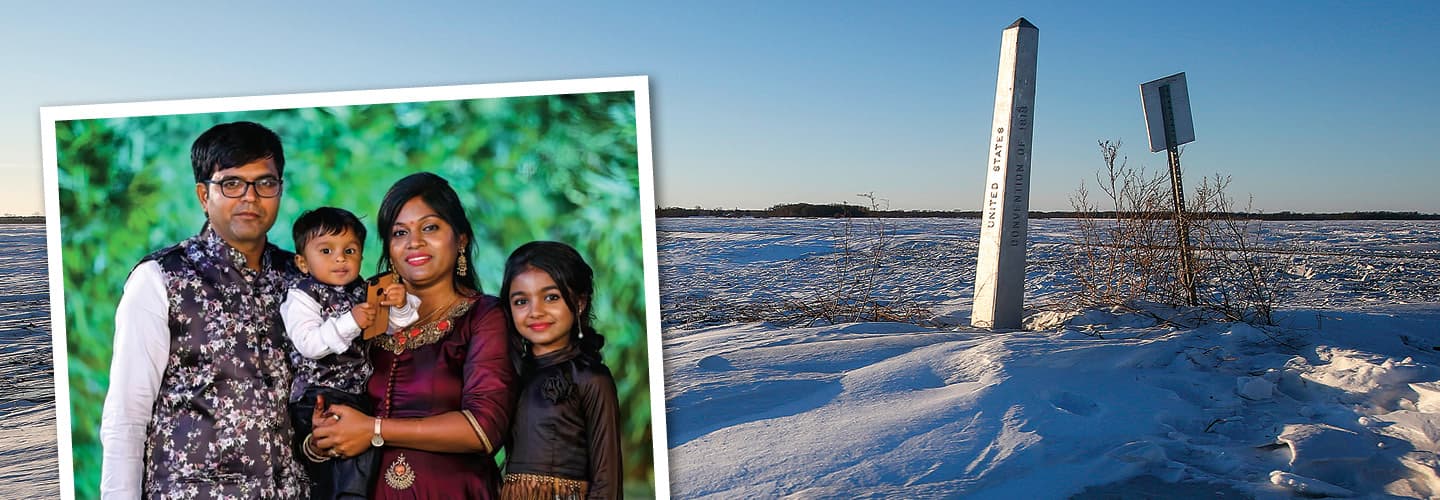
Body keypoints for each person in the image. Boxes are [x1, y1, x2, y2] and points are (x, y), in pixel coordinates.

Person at [99, 121, 308, 497]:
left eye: (265, 183)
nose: (250, 197)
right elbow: (127, 417)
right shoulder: (161, 279)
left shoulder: (300, 278)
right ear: (202, 194)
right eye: (231, 183)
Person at [310, 172, 516, 498]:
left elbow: (484, 429)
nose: (414, 242)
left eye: (430, 227)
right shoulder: (363, 315)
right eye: (399, 233)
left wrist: (372, 429)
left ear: (460, 239)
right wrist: (323, 438)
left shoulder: (483, 316)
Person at [281, 206, 419, 499]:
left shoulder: (364, 290)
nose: (340, 258)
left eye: (350, 250)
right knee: (323, 469)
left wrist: (399, 304)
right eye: (327, 251)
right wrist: (350, 321)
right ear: (303, 262)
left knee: (363, 457)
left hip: (355, 396)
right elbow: (309, 344)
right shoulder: (302, 295)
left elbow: (394, 327)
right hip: (316, 395)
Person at [499, 241, 623, 499]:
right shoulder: (508, 374)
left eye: (551, 297)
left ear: (579, 303)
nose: (536, 312)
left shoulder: (591, 379)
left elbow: (607, 481)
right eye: (521, 301)